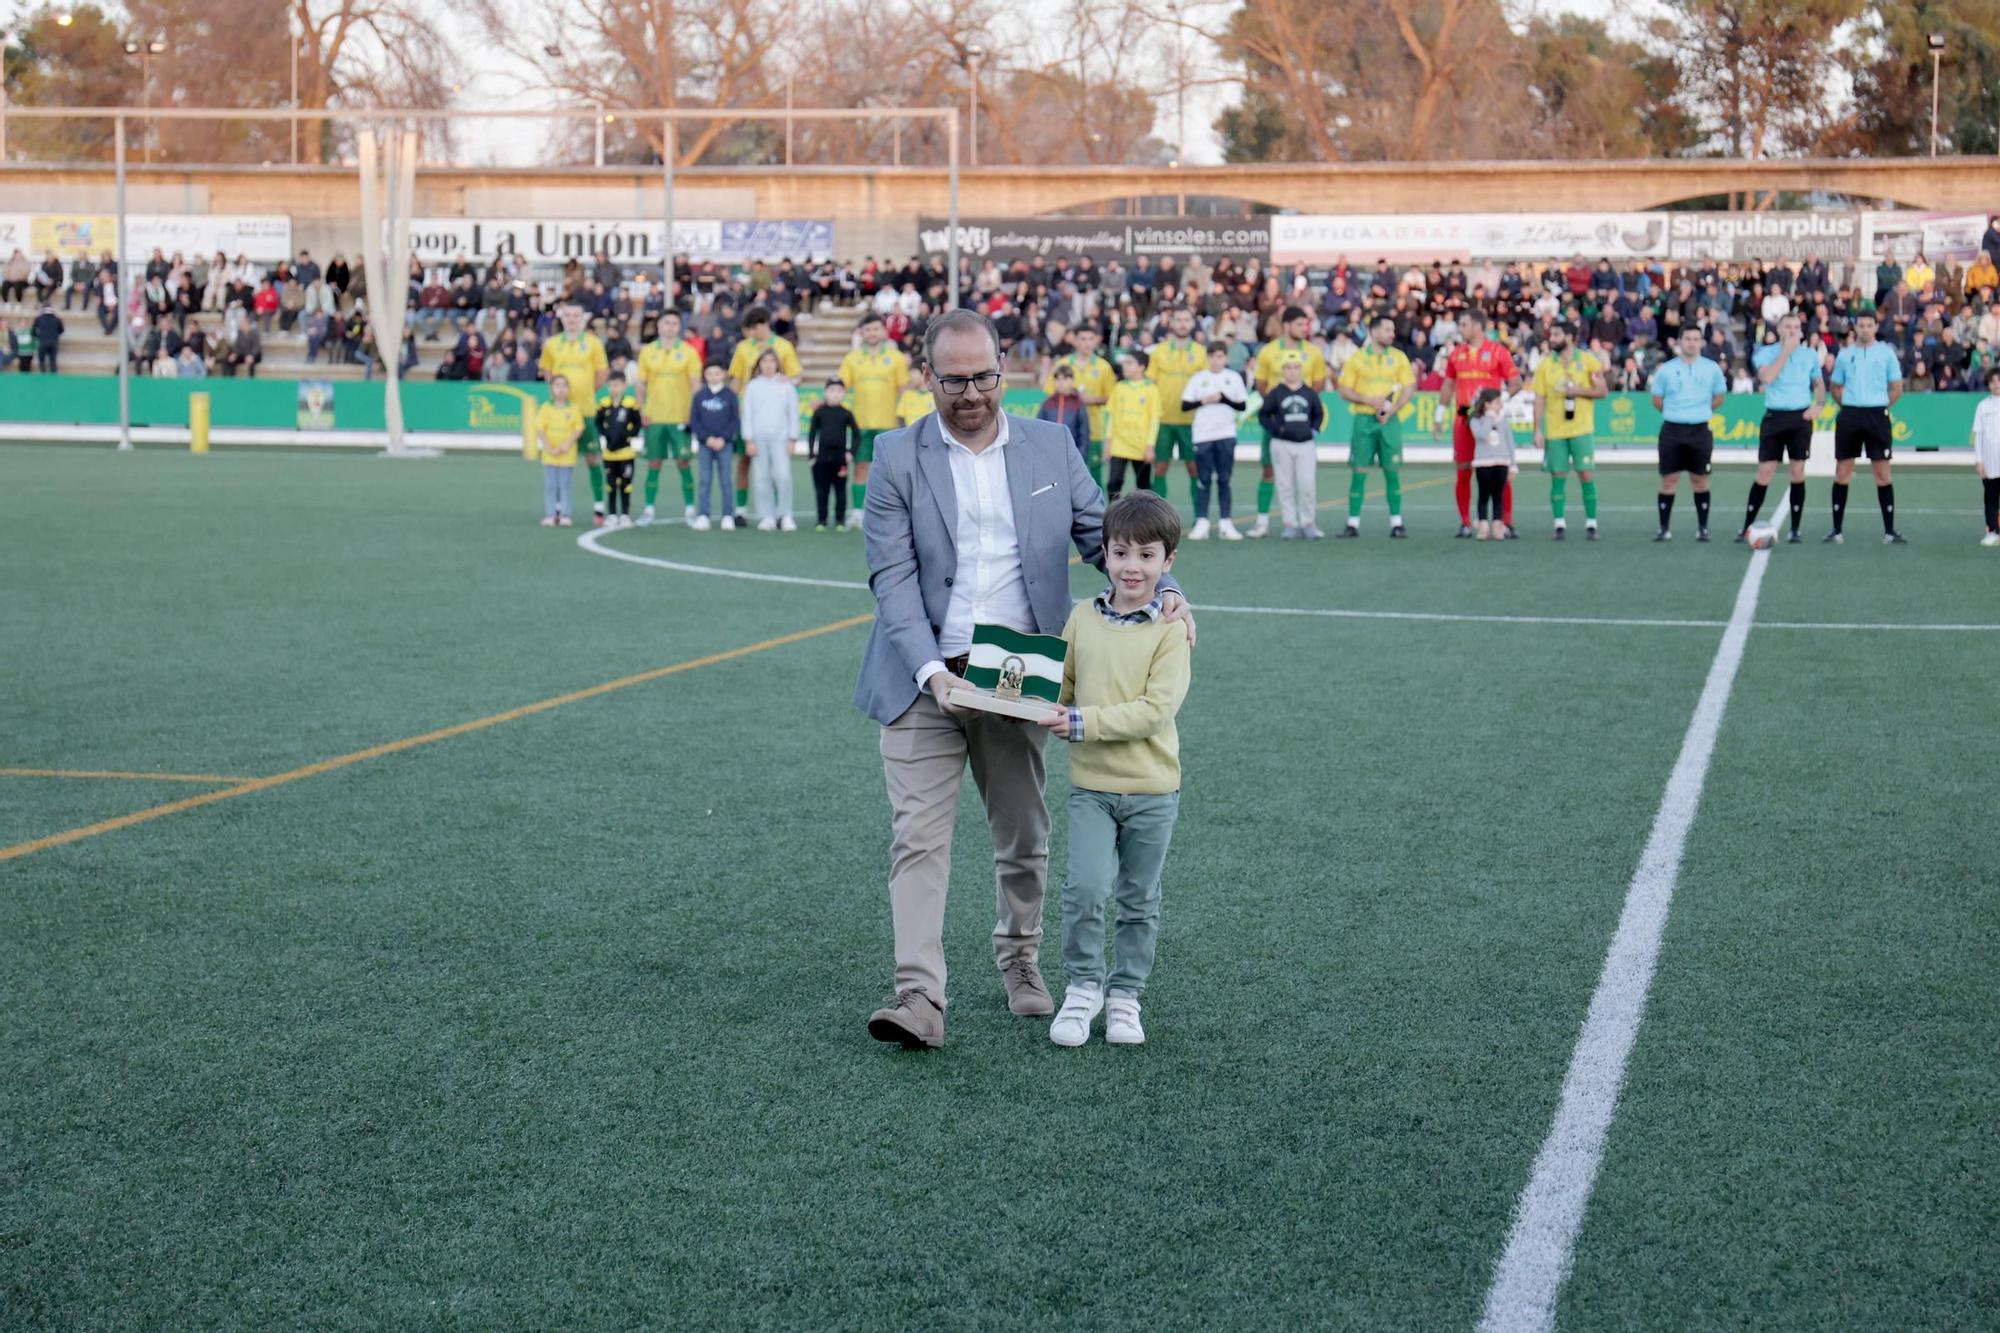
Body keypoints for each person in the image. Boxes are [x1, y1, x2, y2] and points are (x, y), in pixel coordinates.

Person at [855, 308, 1194, 1052]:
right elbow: (893, 575)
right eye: (953, 379)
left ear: (1004, 369)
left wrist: (1170, 590)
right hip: (922, 679)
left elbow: (1100, 539)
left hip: (1018, 677)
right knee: (917, 837)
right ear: (929, 377)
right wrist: (930, 671)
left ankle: (1021, 959)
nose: (970, 391)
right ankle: (919, 995)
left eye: (982, 376)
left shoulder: (1049, 442)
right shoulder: (895, 455)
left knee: (1023, 836)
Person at [1036, 491, 1191, 1048]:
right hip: (1092, 788)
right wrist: (1015, 692)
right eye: (1121, 553)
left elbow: (1156, 711)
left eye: (1147, 556)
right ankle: (1083, 989)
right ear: (1104, 554)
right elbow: (1064, 685)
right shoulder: (1082, 618)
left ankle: (1126, 996)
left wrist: (1081, 723)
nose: (1133, 566)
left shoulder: (1173, 629)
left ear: (1167, 562)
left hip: (1153, 789)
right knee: (1084, 888)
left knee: (1139, 898)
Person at [1739, 313, 1825, 545]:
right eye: (1788, 326)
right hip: (1774, 417)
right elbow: (1767, 377)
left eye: (1796, 327)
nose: (1793, 330)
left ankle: (1795, 529)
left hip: (1800, 418)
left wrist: (1819, 404)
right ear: (1779, 329)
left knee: (1797, 470)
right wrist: (1785, 351)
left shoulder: (1809, 355)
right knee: (1765, 471)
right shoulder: (1765, 353)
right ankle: (1747, 526)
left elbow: (1818, 383)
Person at [1437, 309, 1521, 538]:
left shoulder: (1498, 351)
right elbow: (1447, 385)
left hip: (1489, 421)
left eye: (1463, 324)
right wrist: (1439, 414)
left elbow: (1515, 382)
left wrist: (1497, 404)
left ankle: (1505, 522)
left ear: (1477, 326)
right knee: (1463, 470)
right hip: (1465, 418)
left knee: (1498, 471)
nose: (1460, 329)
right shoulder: (1456, 354)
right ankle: (1466, 523)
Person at [1827, 311, 1907, 545]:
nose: (1865, 329)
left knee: (1882, 474)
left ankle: (1889, 531)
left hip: (1877, 415)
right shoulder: (1844, 354)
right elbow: (1835, 387)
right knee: (1843, 471)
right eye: (1861, 325)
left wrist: (1879, 405)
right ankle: (1836, 530)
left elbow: (1896, 388)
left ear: (1875, 327)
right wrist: (1852, 405)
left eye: (1869, 325)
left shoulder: (1886, 354)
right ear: (1855, 328)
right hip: (1850, 414)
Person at [1250, 306, 1328, 538]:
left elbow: (1318, 385)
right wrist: (1277, 405)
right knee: (1268, 472)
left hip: (1301, 426)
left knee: (1305, 481)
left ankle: (1307, 522)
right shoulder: (1268, 351)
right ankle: (1262, 522)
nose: (1304, 328)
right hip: (1277, 426)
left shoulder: (1313, 352)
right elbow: (1261, 385)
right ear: (1286, 325)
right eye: (1299, 324)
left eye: (1306, 324)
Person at [1335, 314, 1416, 538]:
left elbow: (1409, 387)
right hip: (1364, 420)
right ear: (1374, 332)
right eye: (1388, 330)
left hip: (1390, 421)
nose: (1393, 334)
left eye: (1393, 330)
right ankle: (1352, 524)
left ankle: (1397, 523)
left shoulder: (1399, 357)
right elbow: (1344, 390)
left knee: (1392, 471)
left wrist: (1393, 409)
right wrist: (1369, 400)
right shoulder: (1356, 359)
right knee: (1359, 471)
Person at [1648, 325, 1728, 542]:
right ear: (1679, 342)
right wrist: (1676, 412)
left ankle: (1703, 528)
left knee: (1700, 479)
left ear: (1701, 342)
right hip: (1672, 429)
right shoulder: (1666, 369)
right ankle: (1664, 528)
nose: (1692, 342)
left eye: (1695, 339)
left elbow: (1720, 396)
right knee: (1669, 480)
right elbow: (1656, 399)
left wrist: (1700, 411)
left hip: (1700, 430)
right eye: (1687, 338)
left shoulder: (1712, 369)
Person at [1530, 321, 1608, 541]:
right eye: (1551, 334)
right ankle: (1559, 525)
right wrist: (1537, 429)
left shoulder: (1587, 361)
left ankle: (1591, 524)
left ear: (1570, 337)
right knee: (1558, 476)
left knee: (1585, 473)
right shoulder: (1545, 365)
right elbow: (1539, 398)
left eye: (1557, 335)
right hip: (1555, 431)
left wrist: (1578, 390)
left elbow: (1602, 391)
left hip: (1581, 429)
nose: (1552, 339)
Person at [539, 303, 611, 525]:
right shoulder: (551, 344)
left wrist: (585, 391)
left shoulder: (593, 343)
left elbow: (602, 374)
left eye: (576, 315)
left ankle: (599, 507)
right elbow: (547, 372)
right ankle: (558, 510)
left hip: (586, 410)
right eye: (568, 315)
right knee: (559, 460)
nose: (572, 319)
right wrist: (559, 394)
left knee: (592, 459)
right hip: (560, 414)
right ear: (561, 319)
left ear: (583, 319)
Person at [727, 306, 803, 515]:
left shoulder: (783, 346)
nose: (751, 333)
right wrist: (729, 408)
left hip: (775, 417)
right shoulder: (743, 347)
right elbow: (736, 379)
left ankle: (779, 512)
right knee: (744, 462)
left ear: (764, 324)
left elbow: (796, 377)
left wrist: (789, 380)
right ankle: (741, 509)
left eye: (754, 328)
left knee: (778, 469)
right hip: (748, 415)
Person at [837, 312, 910, 529]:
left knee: (891, 472)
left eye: (876, 329)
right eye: (867, 329)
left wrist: (904, 417)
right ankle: (858, 512)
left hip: (888, 424)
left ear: (883, 331)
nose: (872, 333)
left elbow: (904, 389)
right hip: (860, 423)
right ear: (862, 333)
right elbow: (840, 387)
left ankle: (891, 514)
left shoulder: (896, 358)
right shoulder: (852, 358)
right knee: (861, 467)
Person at [635, 309, 703, 525]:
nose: (670, 327)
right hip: (654, 417)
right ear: (659, 325)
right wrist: (641, 410)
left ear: (679, 327)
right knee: (654, 463)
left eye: (674, 323)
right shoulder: (647, 352)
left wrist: (694, 414)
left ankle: (691, 510)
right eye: (666, 322)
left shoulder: (689, 352)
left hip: (681, 418)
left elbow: (695, 386)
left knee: (684, 463)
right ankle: (648, 510)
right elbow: (641, 385)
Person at [1181, 343, 1248, 541]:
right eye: (1212, 356)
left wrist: (1224, 399)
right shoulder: (1198, 378)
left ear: (1225, 358)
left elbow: (1242, 405)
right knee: (1203, 479)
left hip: (1226, 434)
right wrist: (1204, 401)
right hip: (1203, 436)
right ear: (1207, 358)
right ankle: (1202, 521)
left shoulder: (1233, 378)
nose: (1215, 360)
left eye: (1219, 356)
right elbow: (1184, 404)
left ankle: (1226, 522)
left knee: (1224, 479)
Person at [1258, 356, 1326, 540]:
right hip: (1282, 444)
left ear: (1301, 370)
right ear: (1283, 371)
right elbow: (1263, 415)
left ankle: (1308, 523)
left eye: (1296, 367)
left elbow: (1318, 414)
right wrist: (1277, 430)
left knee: (1307, 484)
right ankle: (1290, 524)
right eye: (1288, 368)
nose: (1292, 371)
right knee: (1284, 485)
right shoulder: (1276, 393)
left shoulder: (1309, 392)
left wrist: (1313, 431)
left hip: (1305, 445)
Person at [1043, 324, 1116, 486]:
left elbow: (1112, 397)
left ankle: (1097, 511)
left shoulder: (1103, 367)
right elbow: (1050, 393)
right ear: (1075, 341)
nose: (1087, 343)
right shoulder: (1063, 364)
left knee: (1094, 476)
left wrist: (1090, 400)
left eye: (1091, 339)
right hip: (1067, 431)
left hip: (1095, 431)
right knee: (1064, 477)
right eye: (1083, 339)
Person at [1147, 305, 1205, 502]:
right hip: (1163, 420)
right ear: (1171, 323)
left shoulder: (1201, 352)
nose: (1182, 324)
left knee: (1194, 468)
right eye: (1178, 320)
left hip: (1192, 421)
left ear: (1193, 323)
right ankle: (1157, 519)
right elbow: (1150, 384)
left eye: (1186, 320)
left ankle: (1200, 518)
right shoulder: (1158, 352)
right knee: (1161, 467)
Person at [742, 348, 801, 531]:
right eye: (764, 361)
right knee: (762, 478)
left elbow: (793, 413)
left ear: (777, 364)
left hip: (781, 438)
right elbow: (747, 414)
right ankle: (766, 515)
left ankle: (785, 514)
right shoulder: (752, 386)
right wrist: (749, 439)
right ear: (759, 364)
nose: (768, 365)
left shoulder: (786, 386)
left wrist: (792, 438)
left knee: (782, 476)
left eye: (772, 361)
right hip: (759, 438)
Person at [689, 362, 741, 532]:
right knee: (705, 481)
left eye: (717, 373)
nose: (713, 376)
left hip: (725, 445)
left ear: (724, 374)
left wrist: (723, 439)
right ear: (705, 375)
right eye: (709, 373)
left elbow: (734, 420)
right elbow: (695, 421)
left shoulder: (730, 396)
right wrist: (707, 438)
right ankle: (703, 515)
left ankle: (728, 515)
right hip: (705, 445)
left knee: (726, 480)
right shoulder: (699, 396)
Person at [1105, 351, 1161, 499]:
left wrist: (1150, 446)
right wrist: (1108, 442)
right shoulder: (1119, 387)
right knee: (1114, 482)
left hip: (1141, 445)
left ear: (1141, 367)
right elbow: (1111, 416)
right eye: (1125, 362)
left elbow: (1154, 419)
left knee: (1144, 485)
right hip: (1119, 444)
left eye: (1130, 362)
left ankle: (1145, 519)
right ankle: (1115, 515)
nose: (1125, 366)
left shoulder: (1151, 389)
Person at [808, 378, 860, 530]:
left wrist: (851, 452)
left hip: (840, 459)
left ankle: (840, 521)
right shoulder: (819, 413)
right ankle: (821, 521)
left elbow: (857, 435)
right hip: (822, 458)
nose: (835, 394)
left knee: (840, 491)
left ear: (844, 393)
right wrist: (812, 455)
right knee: (821, 491)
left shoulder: (846, 413)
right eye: (832, 390)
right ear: (825, 392)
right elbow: (812, 434)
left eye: (839, 391)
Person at [1467, 388, 1516, 540]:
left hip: (1501, 462)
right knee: (1483, 495)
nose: (1500, 406)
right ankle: (1483, 526)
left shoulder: (1503, 420)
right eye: (1496, 403)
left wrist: (1512, 465)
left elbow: (1510, 443)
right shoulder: (1476, 420)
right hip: (1483, 463)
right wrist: (1489, 418)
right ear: (1487, 404)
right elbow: (1481, 435)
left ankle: (1497, 525)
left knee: (1498, 496)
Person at [595, 371, 643, 527]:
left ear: (624, 386)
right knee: (610, 485)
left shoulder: (631, 403)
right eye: (610, 385)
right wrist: (607, 436)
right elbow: (598, 424)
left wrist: (628, 436)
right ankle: (612, 514)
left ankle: (625, 514)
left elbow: (637, 424)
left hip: (626, 454)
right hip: (609, 454)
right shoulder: (603, 404)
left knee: (626, 485)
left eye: (617, 385)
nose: (613, 388)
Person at [536, 375, 584, 528]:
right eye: (557, 385)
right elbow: (540, 429)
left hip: (567, 455)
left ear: (568, 389)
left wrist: (566, 445)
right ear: (551, 388)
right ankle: (550, 514)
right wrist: (549, 447)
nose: (561, 388)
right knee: (551, 485)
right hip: (549, 455)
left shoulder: (573, 408)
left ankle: (565, 515)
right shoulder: (545, 407)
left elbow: (578, 429)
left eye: (564, 385)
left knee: (565, 484)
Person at [1972, 366, 2000, 547]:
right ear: (1988, 385)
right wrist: (1979, 460)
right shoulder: (1983, 406)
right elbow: (1978, 435)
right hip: (1990, 463)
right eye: (1993, 381)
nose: (1997, 384)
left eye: (1999, 380)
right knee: (1990, 500)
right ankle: (1991, 531)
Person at [1036, 363, 1089, 456]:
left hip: (1072, 454)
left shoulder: (1078, 404)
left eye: (1065, 379)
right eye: (1058, 379)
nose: (1061, 383)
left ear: (1072, 381)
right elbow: (1039, 428)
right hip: (1049, 453)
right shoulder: (1048, 403)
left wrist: (1080, 456)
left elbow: (1084, 434)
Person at [895, 362, 934, 429]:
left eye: (913, 372)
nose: (910, 376)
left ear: (924, 373)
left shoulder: (935, 397)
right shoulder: (907, 395)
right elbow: (900, 418)